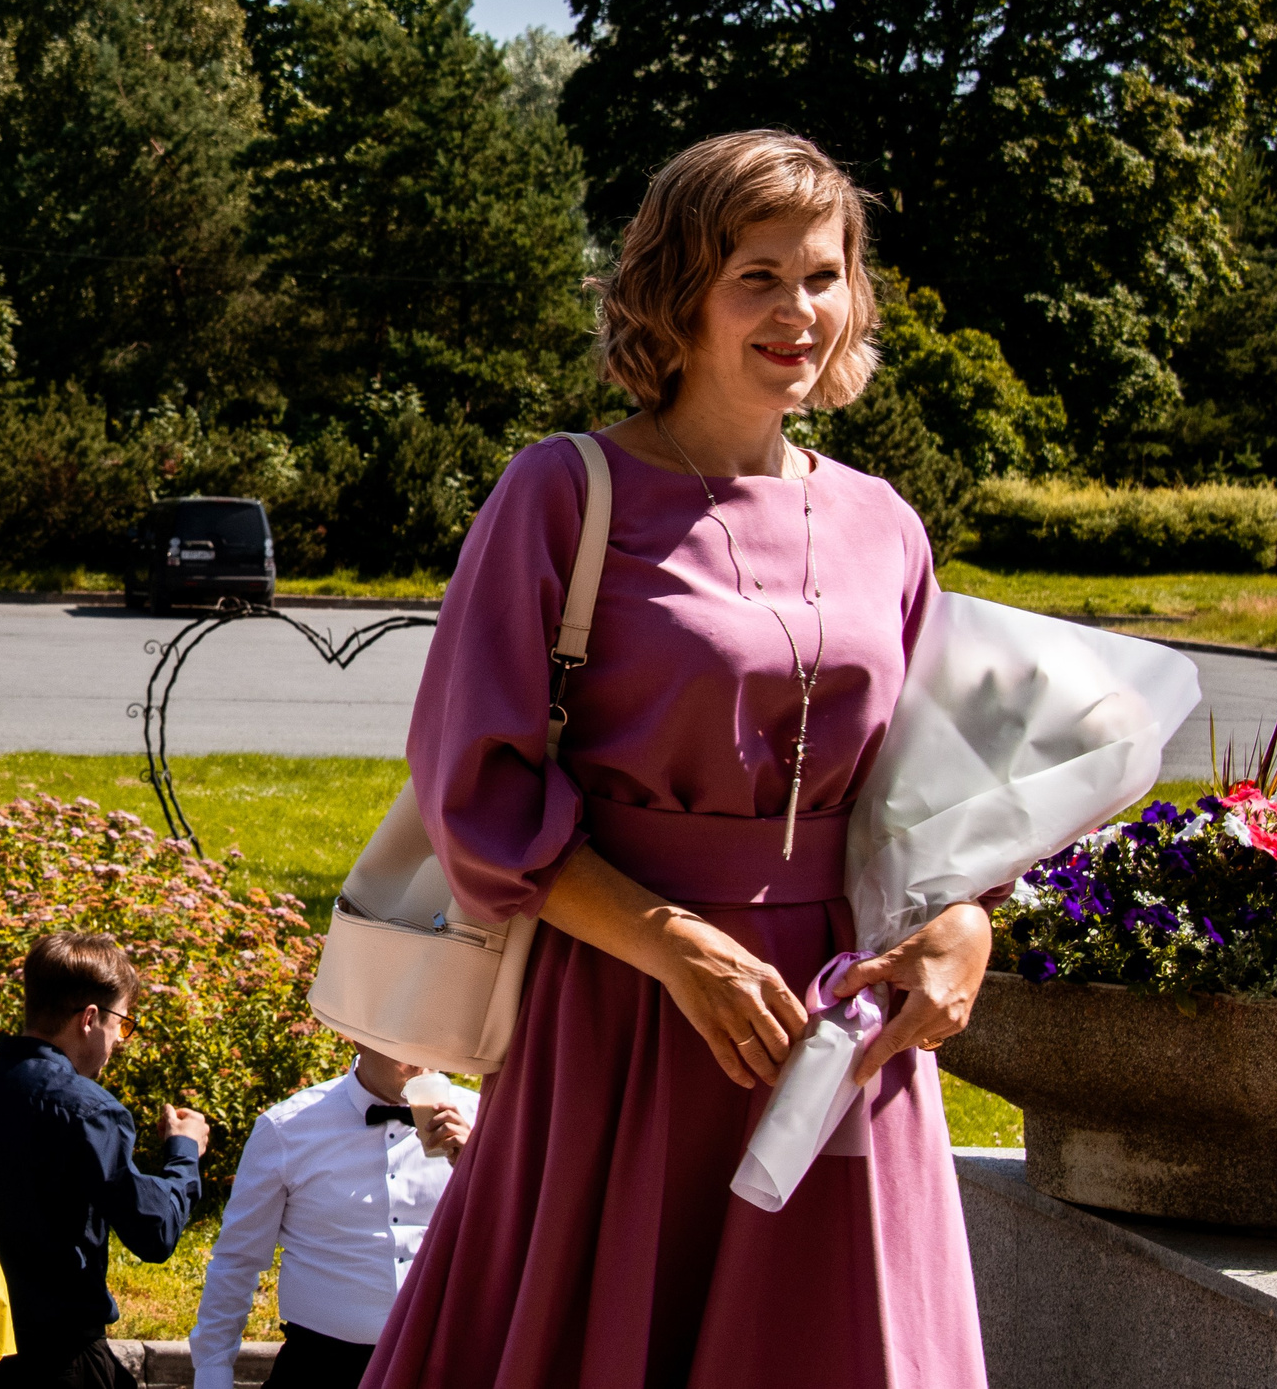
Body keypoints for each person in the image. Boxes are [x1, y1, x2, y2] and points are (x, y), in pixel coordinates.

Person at [362, 130, 990, 1389]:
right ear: (677, 294)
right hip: (623, 1007)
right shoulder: (563, 491)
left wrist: (966, 920)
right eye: (755, 276)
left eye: (823, 276)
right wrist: (668, 942)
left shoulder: (884, 523)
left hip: (838, 1021)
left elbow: (935, 793)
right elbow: (470, 790)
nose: (797, 312)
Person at [0, 931, 210, 1389]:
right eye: (123, 1024)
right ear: (90, 1019)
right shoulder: (91, 1111)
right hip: (58, 1360)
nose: (120, 1040)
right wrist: (184, 1152)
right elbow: (154, 1231)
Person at [189, 1045, 474, 1389]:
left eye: (432, 1037)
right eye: (406, 1040)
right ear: (360, 1038)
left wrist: (481, 1168)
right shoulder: (287, 1128)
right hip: (322, 1367)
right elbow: (237, 1261)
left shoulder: (481, 1118)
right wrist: (212, 1375)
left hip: (449, 1364)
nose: (425, 1057)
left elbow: (522, 1246)